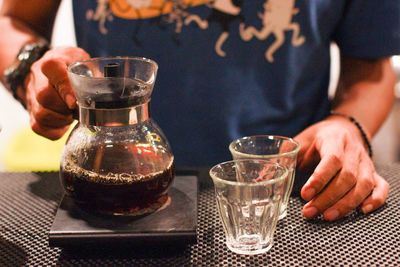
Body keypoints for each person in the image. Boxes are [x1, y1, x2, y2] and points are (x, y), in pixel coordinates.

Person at [0, 0, 399, 222]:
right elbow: (13, 18)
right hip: (109, 200)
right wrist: (28, 68)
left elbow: (371, 66)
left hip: (287, 200)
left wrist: (346, 124)